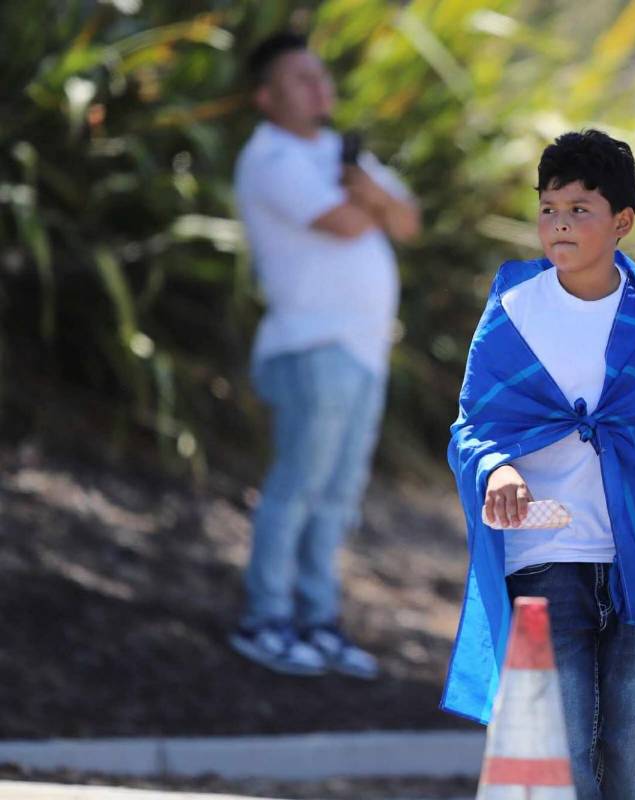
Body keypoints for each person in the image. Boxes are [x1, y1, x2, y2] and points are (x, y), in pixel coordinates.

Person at [444, 130, 635, 798]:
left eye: (580, 209)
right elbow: (475, 426)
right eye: (549, 208)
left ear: (622, 222)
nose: (560, 224)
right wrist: (498, 471)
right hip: (543, 554)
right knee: (562, 748)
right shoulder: (514, 310)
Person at [228, 32, 420, 679]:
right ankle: (266, 619)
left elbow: (409, 221)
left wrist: (365, 191)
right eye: (300, 79)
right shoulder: (270, 156)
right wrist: (370, 195)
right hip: (311, 345)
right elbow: (348, 222)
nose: (319, 89)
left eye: (321, 77)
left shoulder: (342, 155)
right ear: (266, 96)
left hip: (362, 353)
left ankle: (318, 621)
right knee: (298, 487)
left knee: (338, 495)